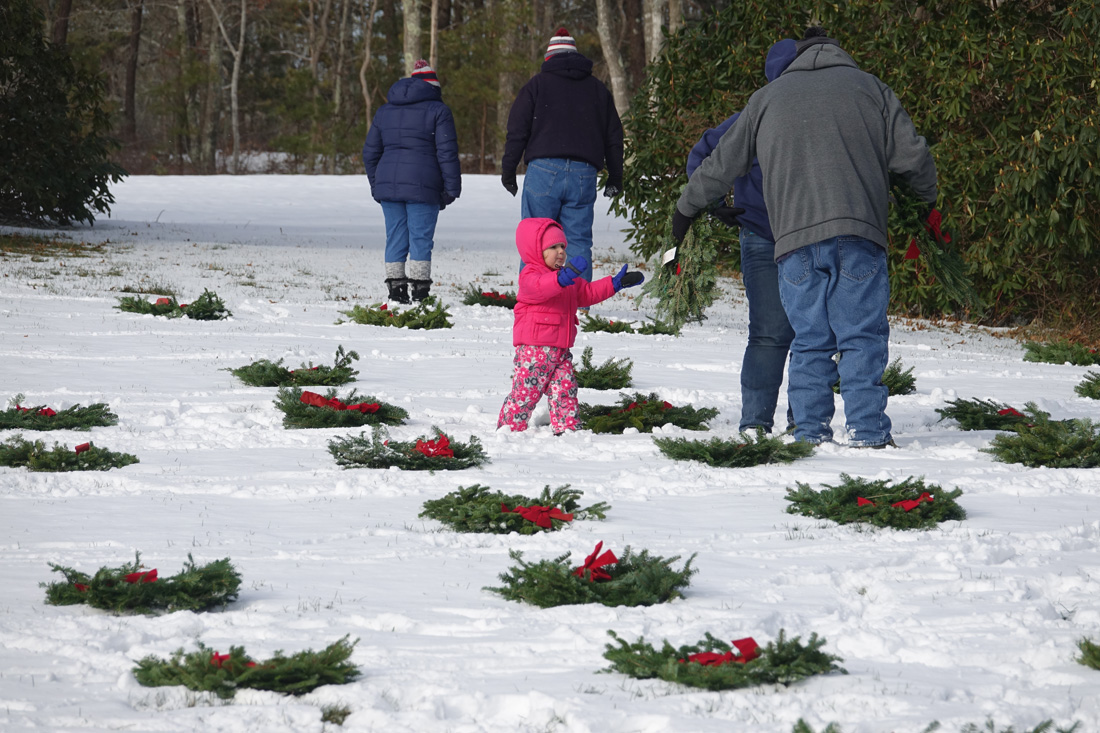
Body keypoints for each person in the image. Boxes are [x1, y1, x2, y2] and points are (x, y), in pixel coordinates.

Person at [671, 28, 938, 448]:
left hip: (791, 240)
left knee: (809, 339)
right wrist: (926, 201)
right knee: (861, 336)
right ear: (838, 51)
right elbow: (913, 156)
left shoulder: (766, 100)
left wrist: (686, 209)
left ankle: (810, 433)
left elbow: (719, 161)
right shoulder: (871, 89)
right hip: (858, 232)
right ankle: (868, 432)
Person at [685, 39, 797, 434]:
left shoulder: (754, 113)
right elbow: (703, 155)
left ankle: (758, 423)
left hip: (771, 234)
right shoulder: (776, 114)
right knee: (801, 332)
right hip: (780, 235)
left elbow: (703, 155)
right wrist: (715, 203)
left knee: (771, 333)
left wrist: (714, 201)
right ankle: (785, 422)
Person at [501, 28, 624, 284]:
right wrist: (615, 175)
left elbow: (517, 130)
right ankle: (579, 301)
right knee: (578, 239)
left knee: (536, 236)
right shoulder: (597, 90)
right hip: (584, 172)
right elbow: (614, 136)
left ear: (549, 59)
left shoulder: (536, 85)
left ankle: (536, 296)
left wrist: (509, 169)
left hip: (543, 169)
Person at [498, 217, 644, 434]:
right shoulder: (530, 274)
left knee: (565, 388)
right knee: (526, 391)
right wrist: (562, 278)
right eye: (553, 247)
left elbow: (586, 293)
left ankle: (567, 429)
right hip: (534, 349)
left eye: (562, 246)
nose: (560, 252)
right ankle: (509, 428)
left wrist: (614, 284)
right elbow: (541, 288)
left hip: (560, 349)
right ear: (537, 251)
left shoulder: (567, 278)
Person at [363, 60, 461, 304]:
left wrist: (377, 185)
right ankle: (420, 293)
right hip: (424, 185)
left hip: (389, 185)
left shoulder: (384, 111)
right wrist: (451, 189)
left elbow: (370, 152)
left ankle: (396, 292)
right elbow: (446, 153)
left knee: (395, 236)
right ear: (433, 88)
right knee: (420, 238)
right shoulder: (439, 111)